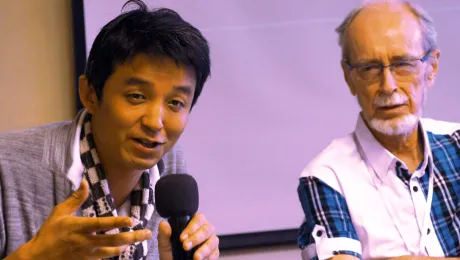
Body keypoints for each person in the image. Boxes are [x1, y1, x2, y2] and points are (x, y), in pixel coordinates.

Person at [0, 1, 219, 259]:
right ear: (90, 95)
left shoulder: (168, 168)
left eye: (175, 103)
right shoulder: (7, 169)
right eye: (137, 96)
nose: (155, 122)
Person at [296, 1, 459, 259]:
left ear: (432, 68)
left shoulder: (456, 144)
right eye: (369, 68)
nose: (388, 85)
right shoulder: (326, 176)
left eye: (403, 63)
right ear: (349, 78)